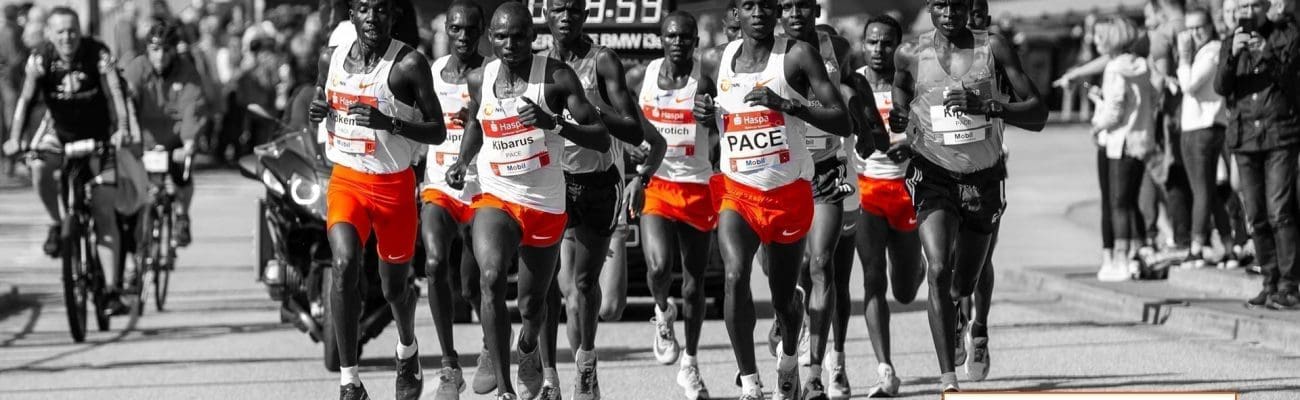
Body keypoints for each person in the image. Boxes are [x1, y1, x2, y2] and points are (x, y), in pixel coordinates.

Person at [445, 3, 610, 399]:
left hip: (544, 204)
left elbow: (601, 138)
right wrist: (462, 160)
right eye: (501, 36)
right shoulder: (480, 78)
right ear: (490, 38)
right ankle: (505, 389)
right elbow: (477, 124)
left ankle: (528, 345)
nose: (509, 44)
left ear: (533, 37)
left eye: (518, 36)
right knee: (490, 277)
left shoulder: (556, 78)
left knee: (532, 305)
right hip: (497, 196)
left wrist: (554, 123)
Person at [887, 0, 1048, 392]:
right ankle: (948, 381)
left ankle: (966, 317)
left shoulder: (993, 48)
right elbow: (901, 87)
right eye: (940, 4)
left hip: (982, 178)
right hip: (932, 173)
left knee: (963, 284)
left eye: (957, 4)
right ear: (930, 6)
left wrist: (990, 106)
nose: (949, 12)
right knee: (938, 268)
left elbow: (1038, 114)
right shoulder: (909, 52)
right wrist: (901, 112)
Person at [695, 0, 852, 397]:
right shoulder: (714, 59)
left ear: (775, 11)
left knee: (784, 300)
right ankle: (750, 383)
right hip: (738, 192)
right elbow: (704, 104)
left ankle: (789, 360)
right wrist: (702, 112)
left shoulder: (798, 56)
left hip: (787, 194)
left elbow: (842, 119)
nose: (758, 13)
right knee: (734, 275)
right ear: (735, 14)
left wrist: (788, 105)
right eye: (749, 6)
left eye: (766, 5)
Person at [305, 0, 449, 397]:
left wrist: (391, 123)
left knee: (394, 288)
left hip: (393, 186)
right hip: (346, 180)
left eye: (382, 10)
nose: (373, 18)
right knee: (344, 263)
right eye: (365, 9)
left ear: (393, 15)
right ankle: (349, 380)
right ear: (352, 14)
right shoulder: (330, 58)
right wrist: (318, 107)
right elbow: (320, 92)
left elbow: (437, 130)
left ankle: (407, 349)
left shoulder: (409, 64)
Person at [535, 1, 662, 398]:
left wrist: (591, 115)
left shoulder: (602, 61)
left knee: (587, 286)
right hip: (551, 182)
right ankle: (550, 377)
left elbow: (635, 131)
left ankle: (586, 364)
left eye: (574, 10)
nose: (566, 17)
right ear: (545, 14)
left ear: (584, 16)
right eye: (558, 9)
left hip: (596, 183)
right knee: (552, 286)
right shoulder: (537, 65)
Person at [3, 7, 135, 313]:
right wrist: (15, 138)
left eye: (73, 30)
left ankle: (111, 291)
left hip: (99, 136)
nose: (67, 37)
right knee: (38, 164)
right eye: (60, 31)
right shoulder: (41, 58)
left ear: (81, 31)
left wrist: (123, 129)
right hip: (59, 133)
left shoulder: (98, 54)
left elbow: (116, 93)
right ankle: (56, 221)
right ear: (49, 34)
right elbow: (25, 100)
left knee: (103, 210)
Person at [768, 2, 858, 399]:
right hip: (780, 175)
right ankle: (787, 314)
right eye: (786, 6)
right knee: (783, 273)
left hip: (825, 169)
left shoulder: (836, 46)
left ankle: (816, 373)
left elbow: (852, 89)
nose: (795, 13)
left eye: (802, 5)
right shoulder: (767, 51)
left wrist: (868, 124)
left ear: (815, 8)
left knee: (821, 264)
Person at [628, 10, 715, 400]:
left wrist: (712, 117)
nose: (678, 42)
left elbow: (724, 124)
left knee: (695, 285)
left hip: (697, 186)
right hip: (658, 183)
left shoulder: (704, 81)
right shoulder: (641, 77)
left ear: (695, 42)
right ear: (661, 39)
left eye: (685, 37)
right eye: (671, 36)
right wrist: (630, 146)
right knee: (659, 267)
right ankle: (663, 311)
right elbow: (621, 115)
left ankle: (690, 364)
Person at [840, 15, 926, 398]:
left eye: (887, 43)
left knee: (904, 291)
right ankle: (885, 370)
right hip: (867, 191)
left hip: (907, 190)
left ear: (898, 46)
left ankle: (918, 266)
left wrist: (913, 145)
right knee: (873, 278)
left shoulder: (910, 83)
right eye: (872, 42)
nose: (879, 50)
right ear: (863, 45)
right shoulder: (851, 83)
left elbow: (932, 131)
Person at [418, 2, 486, 399]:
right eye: (456, 29)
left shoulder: (492, 73)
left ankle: (491, 347)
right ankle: (448, 365)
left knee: (475, 284)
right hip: (439, 186)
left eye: (471, 29)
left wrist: (478, 120)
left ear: (482, 32)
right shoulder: (432, 72)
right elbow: (420, 120)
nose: (463, 36)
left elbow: (510, 128)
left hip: (482, 190)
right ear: (446, 29)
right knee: (433, 263)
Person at [1215, 0, 1300, 309]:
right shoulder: (1230, 41)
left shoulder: (1287, 35)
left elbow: (1291, 81)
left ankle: (1289, 286)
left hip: (1279, 133)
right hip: (1245, 137)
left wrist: (1267, 53)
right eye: (1242, 6)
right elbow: (1221, 86)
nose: (1248, 12)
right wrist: (1232, 56)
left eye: (1253, 5)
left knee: (1279, 211)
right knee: (1256, 215)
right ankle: (1269, 281)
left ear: (1266, 6)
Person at [122, 20, 204, 248]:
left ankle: (182, 216)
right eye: (155, 49)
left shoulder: (187, 72)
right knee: (135, 189)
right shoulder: (137, 68)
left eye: (166, 50)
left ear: (174, 50)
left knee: (182, 176)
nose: (160, 56)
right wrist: (128, 135)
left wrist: (188, 143)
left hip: (175, 138)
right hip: (144, 138)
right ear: (147, 49)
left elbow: (192, 110)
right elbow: (127, 103)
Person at [1090, 17, 1159, 282]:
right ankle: (1137, 254)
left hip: (1120, 142)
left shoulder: (1114, 68)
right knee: (1130, 201)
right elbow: (1152, 97)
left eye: (1099, 37)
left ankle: (1120, 259)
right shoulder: (1140, 65)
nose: (1096, 42)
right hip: (1141, 139)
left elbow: (1115, 111)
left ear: (1111, 38)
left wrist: (1097, 127)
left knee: (1118, 203)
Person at [1175, 8, 1228, 268]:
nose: (1194, 33)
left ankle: (1196, 246)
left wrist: (1183, 59)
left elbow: (1190, 85)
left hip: (1205, 127)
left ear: (1210, 26)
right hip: (1194, 127)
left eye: (1199, 27)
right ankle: (1229, 243)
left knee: (1202, 190)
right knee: (1207, 190)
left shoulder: (1212, 51)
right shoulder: (1200, 52)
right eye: (1189, 28)